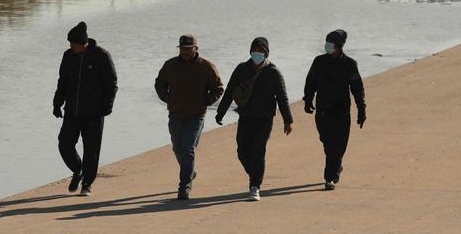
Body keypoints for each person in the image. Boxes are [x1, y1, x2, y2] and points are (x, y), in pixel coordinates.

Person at [215, 37, 294, 201]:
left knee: (258, 152)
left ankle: (255, 186)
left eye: (260, 51)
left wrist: (288, 120)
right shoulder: (241, 69)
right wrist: (220, 112)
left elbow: (282, 97)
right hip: (245, 117)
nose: (257, 54)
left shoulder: (273, 72)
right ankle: (256, 174)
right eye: (254, 50)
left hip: (264, 119)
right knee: (242, 152)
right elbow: (229, 91)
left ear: (266, 53)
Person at [154, 34, 224, 201]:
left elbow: (218, 88)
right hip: (175, 114)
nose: (185, 52)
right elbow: (159, 83)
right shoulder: (170, 65)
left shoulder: (206, 67)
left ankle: (184, 186)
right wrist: (167, 98)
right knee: (178, 149)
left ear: (195, 49)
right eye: (182, 49)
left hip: (196, 116)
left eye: (188, 49)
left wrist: (205, 102)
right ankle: (190, 172)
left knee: (188, 149)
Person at [52, 21, 118, 197]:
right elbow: (62, 81)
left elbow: (112, 83)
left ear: (83, 43)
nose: (70, 46)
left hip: (94, 113)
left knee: (91, 149)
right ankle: (77, 169)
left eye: (73, 44)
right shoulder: (68, 56)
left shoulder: (101, 56)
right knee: (64, 143)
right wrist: (57, 103)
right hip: (72, 111)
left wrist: (107, 105)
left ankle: (87, 183)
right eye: (70, 44)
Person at [302, 29, 366, 191]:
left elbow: (357, 88)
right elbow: (311, 81)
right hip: (323, 110)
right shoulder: (319, 61)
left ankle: (330, 177)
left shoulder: (350, 64)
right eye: (327, 43)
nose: (327, 46)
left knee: (338, 145)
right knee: (327, 142)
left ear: (339, 47)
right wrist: (307, 99)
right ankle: (336, 164)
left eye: (331, 44)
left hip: (342, 111)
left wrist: (361, 109)